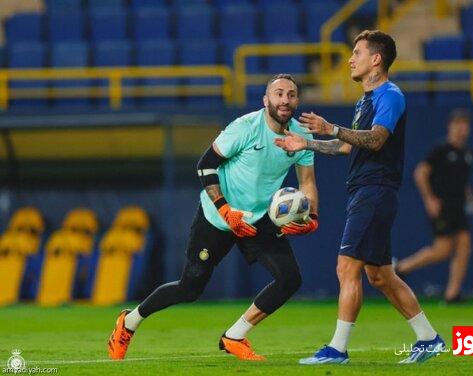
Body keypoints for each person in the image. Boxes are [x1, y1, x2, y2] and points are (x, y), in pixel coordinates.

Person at [107, 74, 320, 361]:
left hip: (259, 219)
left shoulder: (301, 136)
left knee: (290, 279)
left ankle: (234, 336)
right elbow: (205, 165)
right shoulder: (244, 128)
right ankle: (129, 322)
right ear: (266, 100)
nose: (285, 100)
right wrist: (224, 210)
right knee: (190, 288)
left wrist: (312, 215)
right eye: (279, 94)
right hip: (217, 217)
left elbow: (307, 180)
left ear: (297, 101)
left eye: (291, 95)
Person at [275, 30, 445, 364]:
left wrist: (332, 128)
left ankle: (337, 349)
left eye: (357, 52)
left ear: (376, 59)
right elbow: (346, 145)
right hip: (364, 191)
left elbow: (377, 139)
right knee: (379, 275)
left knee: (346, 267)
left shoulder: (390, 95)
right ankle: (429, 339)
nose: (350, 59)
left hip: (376, 190)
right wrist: (306, 143)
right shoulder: (364, 101)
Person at [395, 109, 473, 303]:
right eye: (457, 125)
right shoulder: (441, 150)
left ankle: (452, 293)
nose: (461, 129)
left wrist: (468, 194)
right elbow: (420, 173)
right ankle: (401, 268)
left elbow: (460, 180)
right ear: (450, 127)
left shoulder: (467, 154)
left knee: (465, 245)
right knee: (442, 249)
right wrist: (429, 199)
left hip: (458, 207)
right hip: (443, 206)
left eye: (464, 125)